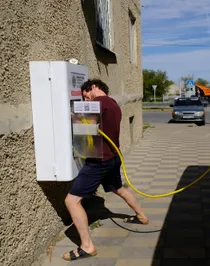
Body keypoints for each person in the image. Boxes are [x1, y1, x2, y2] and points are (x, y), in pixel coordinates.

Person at [63, 79, 149, 261]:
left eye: (86, 96)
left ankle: (87, 246)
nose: (86, 101)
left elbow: (87, 126)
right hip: (113, 157)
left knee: (72, 201)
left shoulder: (98, 103)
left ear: (94, 87)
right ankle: (141, 216)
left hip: (98, 160)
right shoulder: (113, 103)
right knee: (118, 188)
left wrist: (73, 116)